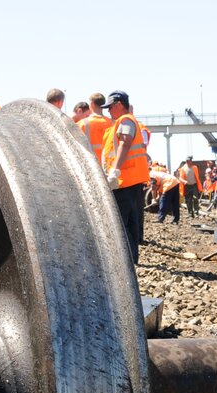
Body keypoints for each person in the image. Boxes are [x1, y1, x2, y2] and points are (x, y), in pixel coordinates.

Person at [100, 90, 150, 265]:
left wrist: (115, 171)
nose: (108, 111)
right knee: (130, 221)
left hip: (125, 180)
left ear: (119, 104)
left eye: (110, 107)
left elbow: (125, 142)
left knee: (122, 221)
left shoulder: (125, 120)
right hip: (131, 179)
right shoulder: (123, 121)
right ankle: (131, 259)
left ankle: (125, 260)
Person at [77, 92, 110, 164]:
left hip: (91, 164)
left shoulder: (82, 124)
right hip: (109, 164)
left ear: (91, 104)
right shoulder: (112, 123)